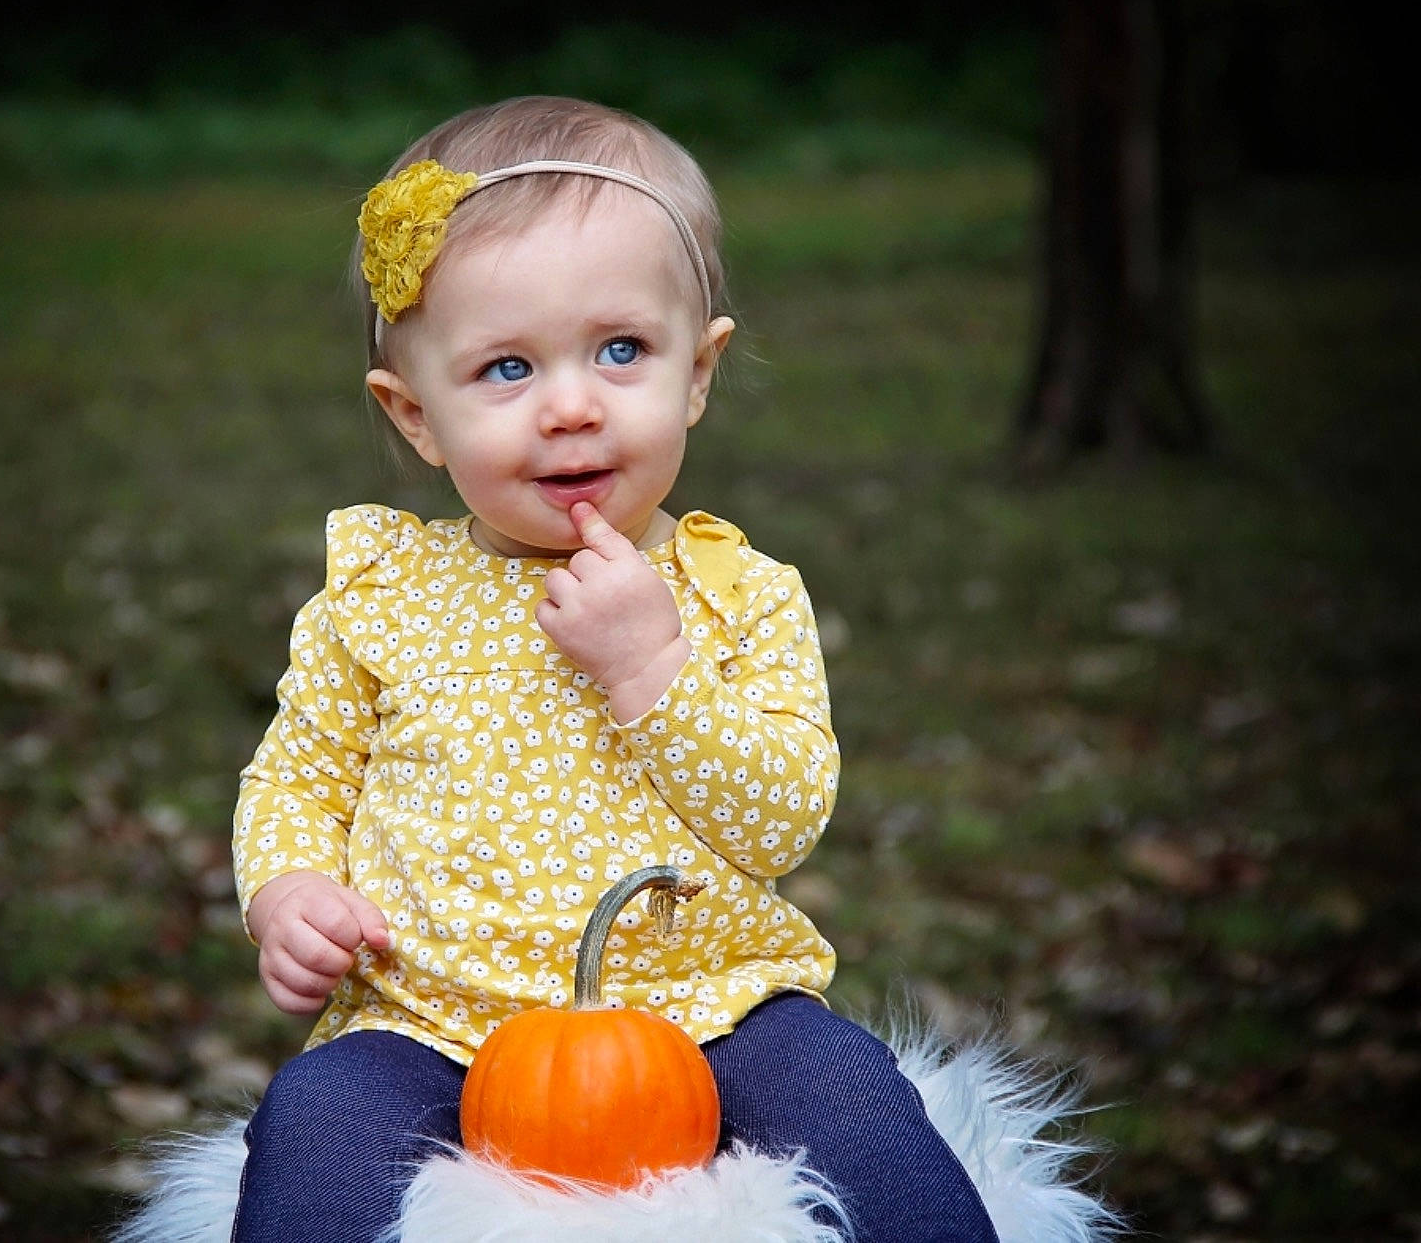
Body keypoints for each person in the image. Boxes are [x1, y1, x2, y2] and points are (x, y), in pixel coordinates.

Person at [229, 96, 997, 1242]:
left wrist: (653, 672)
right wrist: (287, 892)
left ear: (697, 372)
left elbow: (782, 815)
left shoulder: (736, 593)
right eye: (504, 368)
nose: (572, 406)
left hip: (713, 1010)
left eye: (621, 351)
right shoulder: (378, 597)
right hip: (428, 1017)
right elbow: (298, 775)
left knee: (860, 1112)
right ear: (415, 416)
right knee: (312, 1130)